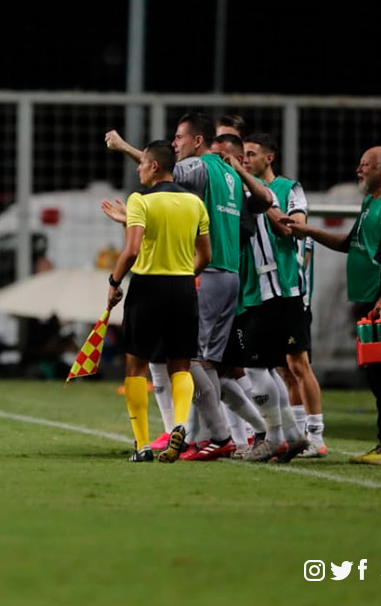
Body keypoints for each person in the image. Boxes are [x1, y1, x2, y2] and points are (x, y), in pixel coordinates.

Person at [104, 115, 273, 461]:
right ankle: (207, 430)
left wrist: (122, 147)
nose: (176, 143)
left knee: (186, 363)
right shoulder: (222, 181)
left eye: (180, 137)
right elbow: (258, 205)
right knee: (219, 365)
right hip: (222, 276)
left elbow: (162, 171)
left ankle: (225, 434)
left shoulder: (196, 169)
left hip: (193, 280)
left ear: (200, 141)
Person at [289, 146, 381, 465]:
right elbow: (350, 244)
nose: (359, 170)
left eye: (365, 165)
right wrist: (309, 231)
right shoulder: (371, 201)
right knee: (377, 374)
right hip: (369, 299)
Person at [106, 140, 211, 462]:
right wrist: (179, 273)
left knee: (136, 366)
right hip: (182, 289)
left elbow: (133, 250)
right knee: (180, 363)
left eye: (141, 163)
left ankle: (142, 446)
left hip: (147, 288)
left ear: (154, 165)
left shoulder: (140, 200)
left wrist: (113, 282)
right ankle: (180, 424)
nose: (137, 168)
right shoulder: (195, 203)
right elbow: (205, 256)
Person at [243, 133, 326, 458]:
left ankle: (315, 436)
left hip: (289, 290)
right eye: (243, 154)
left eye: (251, 154)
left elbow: (293, 227)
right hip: (256, 294)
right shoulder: (242, 194)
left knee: (298, 364)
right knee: (277, 369)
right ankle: (291, 433)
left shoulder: (289, 189)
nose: (246, 159)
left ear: (269, 157)